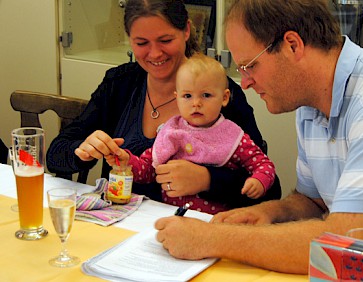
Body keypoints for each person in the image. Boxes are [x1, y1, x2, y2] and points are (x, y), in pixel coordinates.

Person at [154, 0, 363, 275]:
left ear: (293, 45)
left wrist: (211, 239)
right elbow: (313, 201)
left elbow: (342, 242)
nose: (246, 83)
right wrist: (270, 213)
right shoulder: (310, 103)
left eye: (249, 66)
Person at [46, 0, 281, 209]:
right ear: (129, 39)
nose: (155, 53)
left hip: (195, 231)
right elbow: (55, 154)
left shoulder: (218, 92)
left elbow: (269, 191)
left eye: (165, 40)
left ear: (187, 30)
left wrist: (208, 179)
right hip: (121, 227)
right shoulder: (119, 84)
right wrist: (82, 151)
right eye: (141, 43)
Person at [106, 54, 276, 214]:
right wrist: (127, 162)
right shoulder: (171, 132)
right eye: (187, 96)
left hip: (216, 223)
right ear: (177, 97)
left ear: (224, 98)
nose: (196, 103)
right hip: (171, 217)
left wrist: (259, 180)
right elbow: (149, 170)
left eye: (206, 95)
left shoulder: (232, 136)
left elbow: (264, 165)